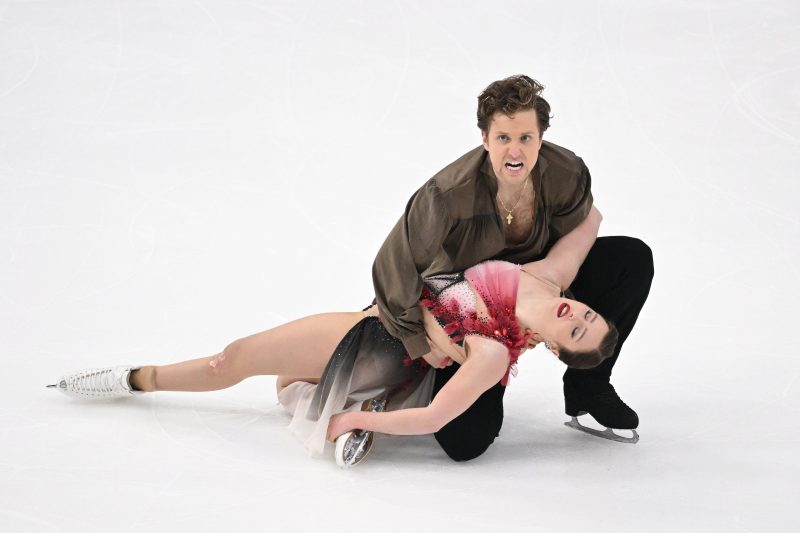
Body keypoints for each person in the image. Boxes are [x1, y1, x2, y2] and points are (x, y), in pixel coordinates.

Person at [50, 207, 617, 467]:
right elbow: (589, 221)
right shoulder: (547, 277)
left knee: (232, 361)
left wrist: (349, 423)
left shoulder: (492, 355)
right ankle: (366, 400)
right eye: (588, 313)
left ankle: (134, 379)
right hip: (384, 323)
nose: (577, 313)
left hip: (374, 342)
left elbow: (436, 417)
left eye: (576, 329)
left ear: (555, 348)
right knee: (283, 386)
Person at [372, 74, 653, 458]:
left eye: (526, 137)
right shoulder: (446, 195)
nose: (515, 150)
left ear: (541, 138)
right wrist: (418, 341)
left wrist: (548, 298)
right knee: (464, 441)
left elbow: (583, 225)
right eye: (503, 137)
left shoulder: (566, 173)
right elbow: (394, 264)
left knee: (631, 259)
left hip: (535, 285)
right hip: (468, 308)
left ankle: (589, 385)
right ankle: (411, 389)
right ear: (485, 139)